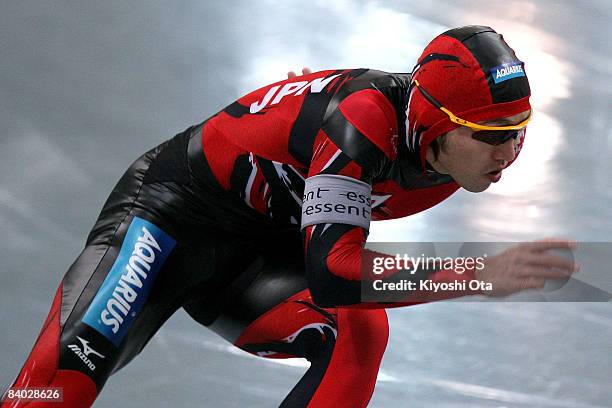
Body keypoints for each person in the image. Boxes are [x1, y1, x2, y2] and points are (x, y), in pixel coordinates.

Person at [1, 25, 578, 408]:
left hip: (255, 251)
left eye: (518, 132)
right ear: (433, 122)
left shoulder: (449, 156)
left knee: (357, 326)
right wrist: (475, 274)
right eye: (490, 135)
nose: (509, 154)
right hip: (171, 215)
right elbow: (333, 272)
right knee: (52, 392)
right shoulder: (363, 123)